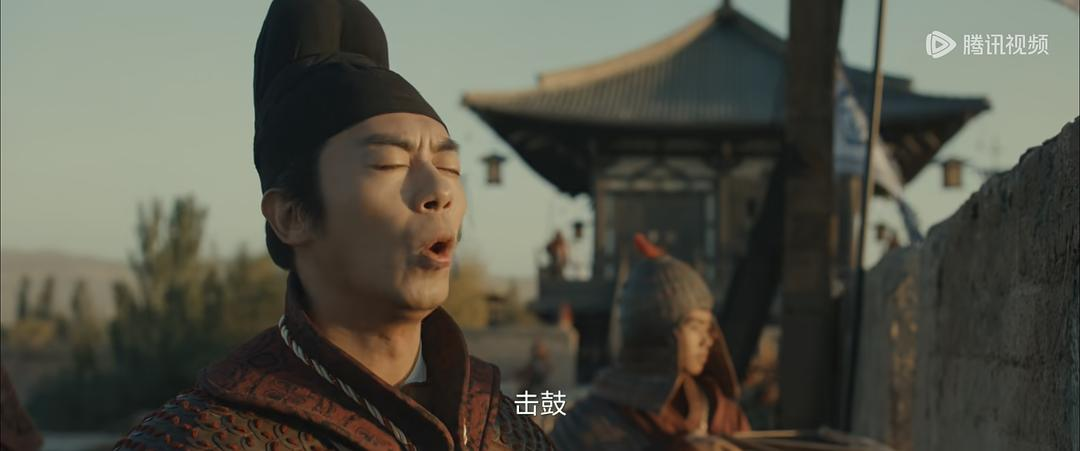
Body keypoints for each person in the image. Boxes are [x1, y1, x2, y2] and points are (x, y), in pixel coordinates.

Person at [114, 1, 552, 449]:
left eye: (449, 167)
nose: (440, 190)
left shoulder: (508, 429)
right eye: (389, 163)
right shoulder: (197, 437)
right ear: (292, 216)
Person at [551, 234, 750, 450]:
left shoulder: (724, 417)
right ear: (659, 331)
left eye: (708, 329)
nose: (707, 341)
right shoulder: (585, 424)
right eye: (695, 327)